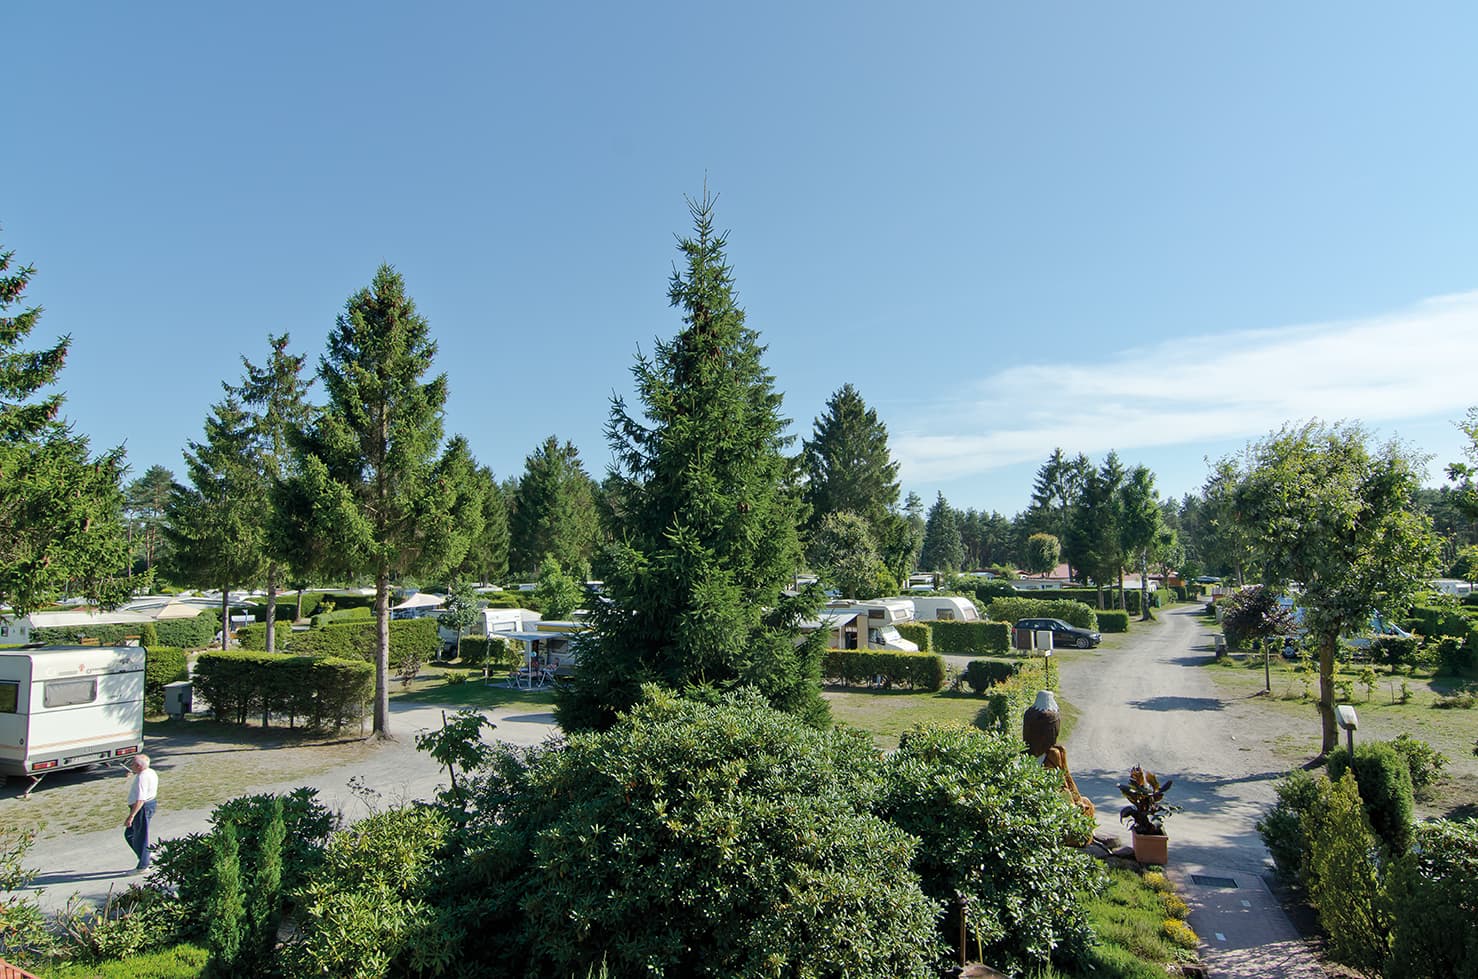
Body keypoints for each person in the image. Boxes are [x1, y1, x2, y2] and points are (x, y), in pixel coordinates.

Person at [123, 754, 158, 872]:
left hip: (142, 807)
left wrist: (131, 816)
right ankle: (146, 855)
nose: (130, 766)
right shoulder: (149, 772)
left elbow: (140, 799)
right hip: (149, 804)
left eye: (132, 764)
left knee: (140, 836)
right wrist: (133, 774)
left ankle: (143, 865)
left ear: (138, 766)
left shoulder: (142, 778)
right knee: (130, 834)